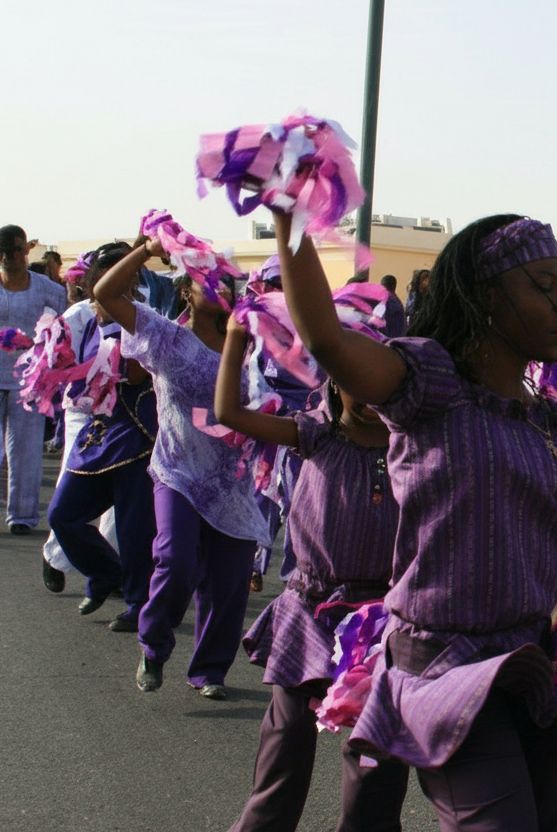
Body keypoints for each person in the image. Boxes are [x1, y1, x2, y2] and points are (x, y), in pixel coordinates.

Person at [272, 210, 557, 831]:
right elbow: (327, 340)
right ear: (487, 297)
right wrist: (286, 213)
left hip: (530, 663)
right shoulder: (430, 386)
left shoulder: (551, 423)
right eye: (544, 285)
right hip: (442, 666)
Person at [216, 314, 410, 832]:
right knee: (283, 755)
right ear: (335, 381)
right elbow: (228, 412)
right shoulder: (314, 434)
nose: (368, 394)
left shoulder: (412, 445)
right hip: (311, 610)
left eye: (379, 382)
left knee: (376, 768)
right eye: (355, 381)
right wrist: (237, 336)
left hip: (382, 624)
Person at [94, 237, 272, 700]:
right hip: (178, 470)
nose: (217, 286)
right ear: (186, 291)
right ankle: (153, 646)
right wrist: (147, 249)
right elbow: (107, 294)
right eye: (204, 279)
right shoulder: (165, 336)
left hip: (231, 481)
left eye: (224, 279)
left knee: (229, 583)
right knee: (175, 561)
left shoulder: (249, 341)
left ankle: (209, 670)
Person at [47, 244, 157, 633]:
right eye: (108, 272)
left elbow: (138, 374)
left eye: (124, 274)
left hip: (138, 437)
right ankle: (105, 573)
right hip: (94, 433)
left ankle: (138, 605)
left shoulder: (144, 318)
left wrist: (117, 335)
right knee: (62, 515)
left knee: (134, 530)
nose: (118, 281)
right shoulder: (81, 317)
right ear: (95, 279)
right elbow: (64, 371)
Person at [0, 225, 68, 537]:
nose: (8, 257)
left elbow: (64, 328)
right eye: (2, 251)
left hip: (28, 381)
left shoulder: (47, 289)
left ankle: (23, 515)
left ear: (26, 250)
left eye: (14, 249)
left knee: (25, 451)